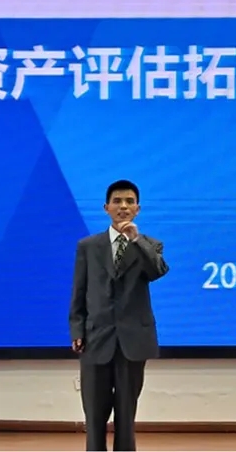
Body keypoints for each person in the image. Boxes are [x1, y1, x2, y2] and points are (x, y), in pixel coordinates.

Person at [69, 179, 170, 451]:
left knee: (126, 413)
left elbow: (157, 271)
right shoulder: (88, 246)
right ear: (106, 208)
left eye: (129, 202)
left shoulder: (149, 245)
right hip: (95, 338)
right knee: (94, 412)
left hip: (132, 340)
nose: (123, 206)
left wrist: (136, 240)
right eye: (117, 201)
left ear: (138, 209)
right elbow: (79, 290)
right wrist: (77, 329)